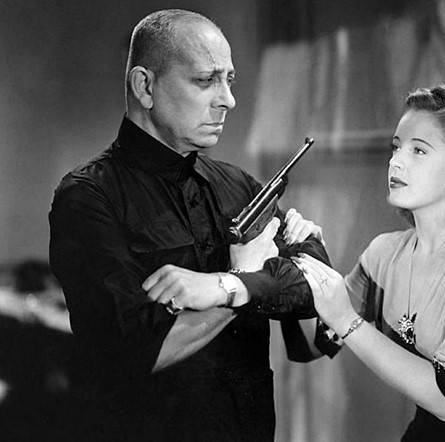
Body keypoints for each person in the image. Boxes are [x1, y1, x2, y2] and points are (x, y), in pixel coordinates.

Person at [49, 9, 328, 442]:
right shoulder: (88, 196)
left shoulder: (240, 186)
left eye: (229, 80)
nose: (228, 100)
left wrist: (234, 283)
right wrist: (244, 278)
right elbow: (129, 353)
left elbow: (310, 310)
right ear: (145, 86)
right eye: (205, 80)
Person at [293, 85, 445, 441]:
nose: (396, 161)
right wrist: (300, 258)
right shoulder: (384, 253)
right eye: (396, 147)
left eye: (418, 150)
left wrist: (347, 320)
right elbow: (308, 345)